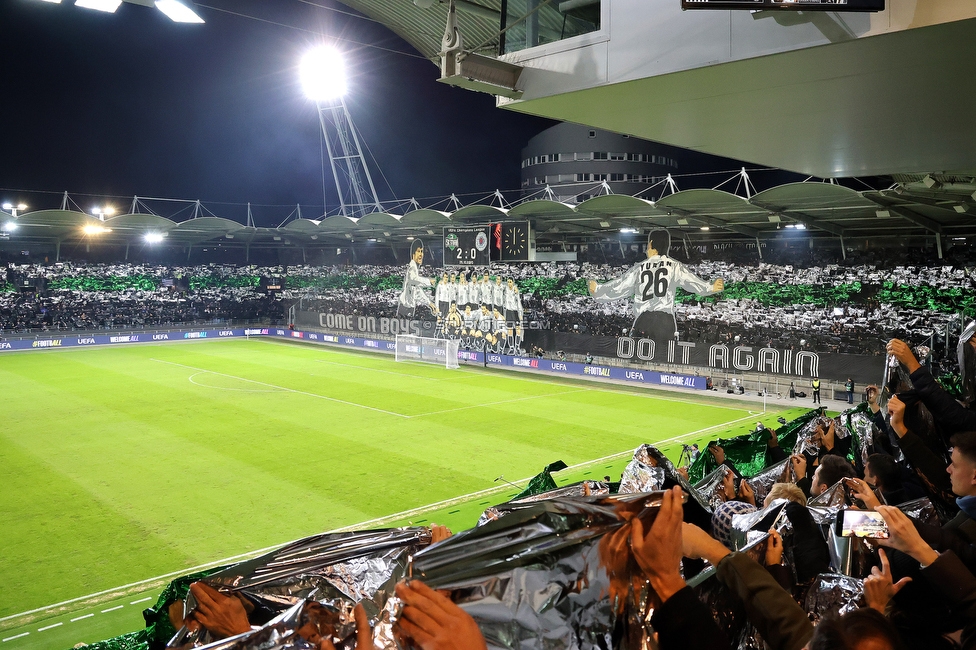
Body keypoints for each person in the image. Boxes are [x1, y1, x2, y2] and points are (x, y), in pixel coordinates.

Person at [587, 229, 724, 350]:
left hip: (644, 319)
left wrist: (598, 290)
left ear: (652, 244)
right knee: (664, 357)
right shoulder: (674, 266)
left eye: (648, 244)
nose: (647, 248)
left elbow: (620, 287)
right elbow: (692, 283)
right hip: (666, 321)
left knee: (638, 356)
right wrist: (711, 287)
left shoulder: (640, 267)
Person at [397, 240, 436, 319]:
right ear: (413, 254)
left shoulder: (415, 268)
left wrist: (430, 304)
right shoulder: (412, 266)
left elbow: (417, 291)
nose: (421, 254)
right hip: (404, 307)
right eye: (418, 251)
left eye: (422, 251)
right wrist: (429, 281)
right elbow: (413, 279)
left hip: (409, 307)